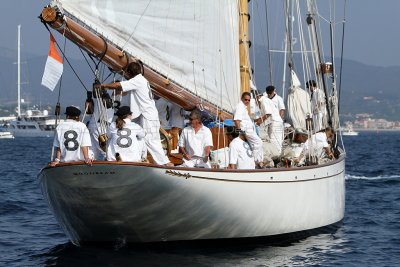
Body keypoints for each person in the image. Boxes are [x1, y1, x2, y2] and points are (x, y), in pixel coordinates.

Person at [99, 61, 173, 166]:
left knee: (151, 139)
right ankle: (137, 159)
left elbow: (119, 86)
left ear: (129, 73)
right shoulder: (141, 80)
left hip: (147, 115)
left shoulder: (137, 81)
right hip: (143, 114)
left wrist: (104, 85)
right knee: (139, 136)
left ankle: (165, 163)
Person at [234, 92, 263, 165]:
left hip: (250, 130)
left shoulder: (243, 107)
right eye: (245, 99)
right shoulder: (240, 107)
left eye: (249, 100)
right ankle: (253, 161)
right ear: (241, 99)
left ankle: (259, 161)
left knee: (255, 145)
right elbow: (237, 120)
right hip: (247, 131)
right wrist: (239, 132)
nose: (247, 101)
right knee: (259, 143)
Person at [259, 86, 285, 154]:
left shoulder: (279, 99)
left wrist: (278, 118)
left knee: (276, 139)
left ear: (274, 91)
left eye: (270, 93)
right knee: (270, 138)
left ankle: (277, 154)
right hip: (269, 122)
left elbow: (282, 109)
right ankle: (272, 154)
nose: (269, 94)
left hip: (276, 121)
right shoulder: (265, 97)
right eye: (268, 93)